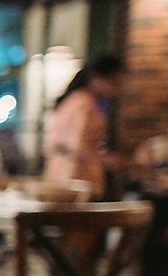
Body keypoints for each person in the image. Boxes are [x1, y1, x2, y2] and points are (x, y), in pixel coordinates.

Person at [42, 55, 123, 199]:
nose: (117, 89)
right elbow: (77, 146)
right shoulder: (84, 104)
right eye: (114, 82)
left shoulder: (74, 99)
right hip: (76, 180)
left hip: (62, 176)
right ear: (96, 78)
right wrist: (109, 160)